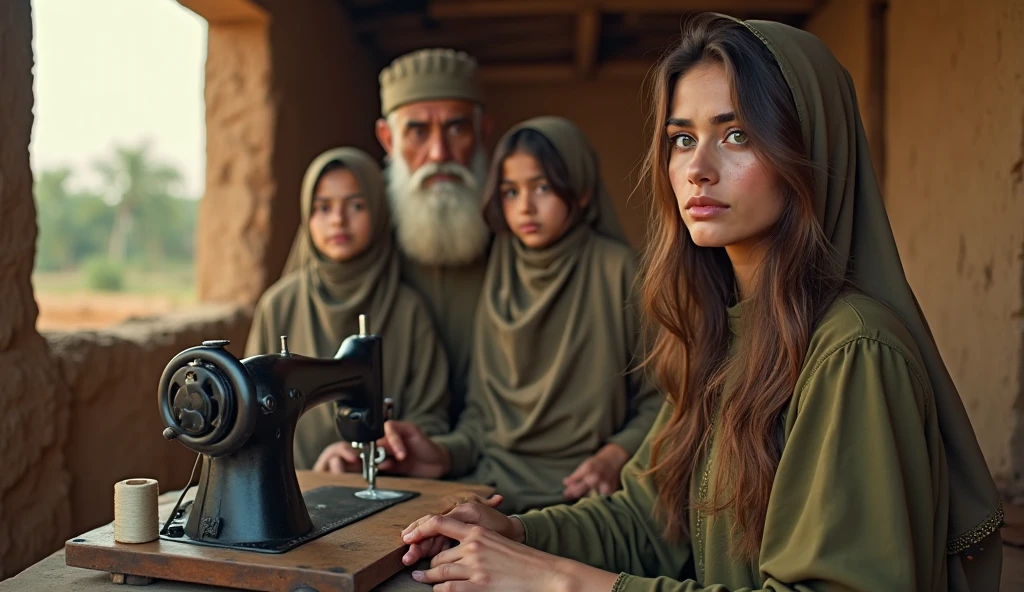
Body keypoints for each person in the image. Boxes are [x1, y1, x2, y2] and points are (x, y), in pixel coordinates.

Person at [397, 14, 1004, 591]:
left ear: (812, 151)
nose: (697, 169)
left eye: (737, 134)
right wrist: (518, 531)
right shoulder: (718, 336)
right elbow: (649, 518)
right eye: (682, 138)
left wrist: (555, 579)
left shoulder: (854, 353)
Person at [377, 116, 661, 514]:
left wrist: (615, 456)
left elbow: (663, 398)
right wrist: (441, 453)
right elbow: (482, 419)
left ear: (581, 191)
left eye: (542, 188)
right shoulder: (499, 274)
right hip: (493, 484)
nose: (525, 207)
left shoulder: (618, 270)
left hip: (587, 492)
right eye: (510, 192)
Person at [245, 147, 449, 471]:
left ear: (380, 211)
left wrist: (392, 446)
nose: (338, 220)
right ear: (306, 216)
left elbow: (433, 418)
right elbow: (251, 417)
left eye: (356, 205)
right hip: (293, 487)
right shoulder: (278, 306)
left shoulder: (409, 311)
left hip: (388, 480)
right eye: (323, 207)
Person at [376, 48, 493, 424]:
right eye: (417, 131)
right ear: (388, 139)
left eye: (456, 128)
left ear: (482, 132)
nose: (439, 152)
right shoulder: (353, 230)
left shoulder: (523, 229)